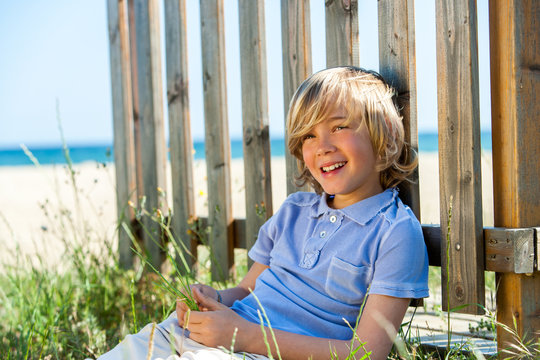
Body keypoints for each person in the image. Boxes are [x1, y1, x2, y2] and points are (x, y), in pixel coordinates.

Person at [97, 66, 429, 360]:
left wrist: (243, 336)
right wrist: (214, 298)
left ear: (383, 133)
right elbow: (246, 292)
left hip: (265, 353)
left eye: (339, 127)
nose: (322, 145)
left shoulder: (394, 232)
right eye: (309, 135)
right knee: (138, 346)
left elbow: (367, 353)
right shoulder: (293, 212)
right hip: (222, 334)